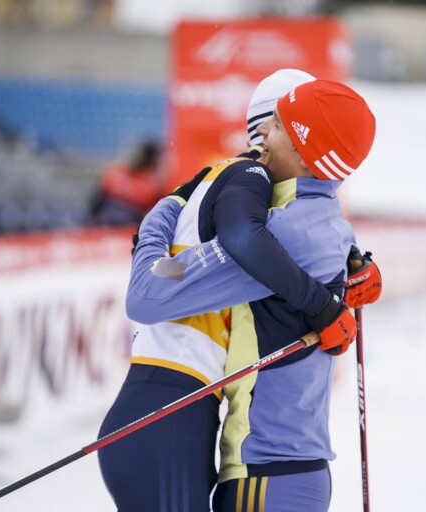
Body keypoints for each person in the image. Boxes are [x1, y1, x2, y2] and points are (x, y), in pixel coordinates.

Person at [98, 70, 369, 511]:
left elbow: (150, 289)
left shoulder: (277, 234)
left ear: (303, 149)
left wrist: (162, 212)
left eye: (278, 125)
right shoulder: (324, 225)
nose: (261, 135)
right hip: (264, 462)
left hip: (259, 470)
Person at [89, 140, 164, 225]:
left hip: (123, 224)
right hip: (108, 222)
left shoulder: (152, 187)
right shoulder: (116, 174)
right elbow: (96, 204)